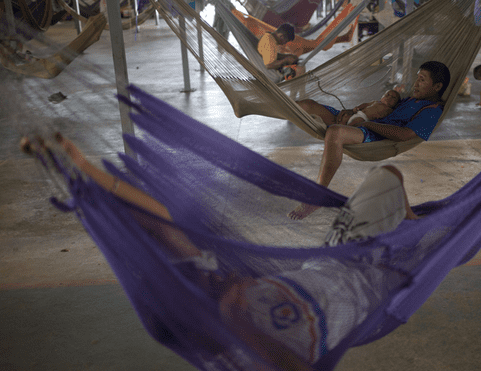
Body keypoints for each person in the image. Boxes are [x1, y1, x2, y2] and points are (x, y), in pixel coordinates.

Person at [20, 134, 420, 370]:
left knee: (387, 176)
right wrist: (238, 319)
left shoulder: (206, 280)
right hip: (374, 281)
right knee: (447, 234)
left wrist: (81, 170)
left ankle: (416, 222)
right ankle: (422, 230)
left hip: (337, 256)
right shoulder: (234, 352)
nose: (221, 274)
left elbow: (160, 221)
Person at [291, 60, 450, 220]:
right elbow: (383, 106)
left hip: (372, 133)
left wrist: (367, 123)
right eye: (417, 78)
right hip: (359, 121)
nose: (415, 83)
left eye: (422, 80)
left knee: (335, 132)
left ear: (437, 87)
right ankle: (267, 101)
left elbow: (404, 135)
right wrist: (353, 112)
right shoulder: (412, 100)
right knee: (307, 105)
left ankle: (318, 195)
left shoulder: (431, 111)